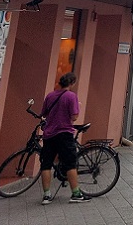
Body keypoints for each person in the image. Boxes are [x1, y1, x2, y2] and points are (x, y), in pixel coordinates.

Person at [38, 72, 87, 204]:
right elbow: (74, 117)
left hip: (49, 134)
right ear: (72, 84)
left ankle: (47, 195)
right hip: (64, 134)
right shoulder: (71, 97)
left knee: (46, 164)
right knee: (70, 164)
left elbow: (43, 113)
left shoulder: (50, 95)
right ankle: (76, 194)